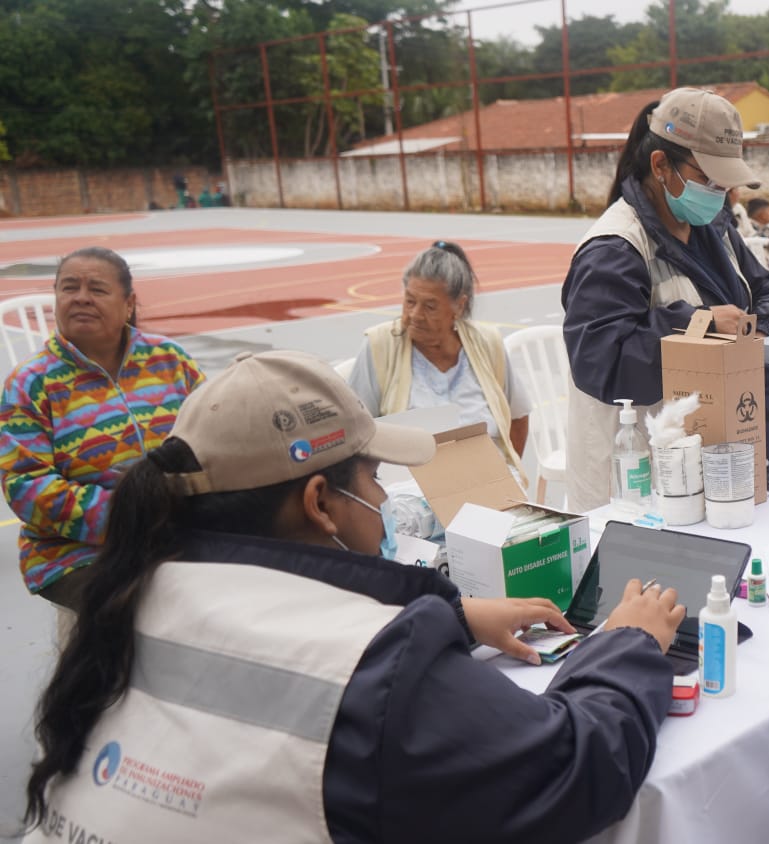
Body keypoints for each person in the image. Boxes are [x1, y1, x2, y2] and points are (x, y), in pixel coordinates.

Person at [21, 350, 690, 843]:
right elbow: (576, 768)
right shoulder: (374, 670)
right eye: (370, 480)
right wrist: (630, 643)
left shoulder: (128, 594)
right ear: (320, 504)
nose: (381, 501)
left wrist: (453, 617)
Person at [561, 88, 769, 511]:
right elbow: (602, 364)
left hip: (711, 457)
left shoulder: (716, 231)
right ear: (661, 165)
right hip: (637, 478)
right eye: (709, 178)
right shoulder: (615, 250)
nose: (720, 192)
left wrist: (757, 327)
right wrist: (698, 325)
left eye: (725, 182)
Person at [1, 247, 203, 608]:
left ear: (129, 304)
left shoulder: (170, 360)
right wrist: (132, 516)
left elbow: (212, 435)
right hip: (75, 554)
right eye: (69, 288)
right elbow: (26, 489)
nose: (81, 298)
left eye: (96, 288)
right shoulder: (30, 384)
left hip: (180, 528)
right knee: (154, 605)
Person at [347, 241, 531, 489]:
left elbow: (518, 417)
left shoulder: (487, 343)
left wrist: (503, 475)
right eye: (410, 301)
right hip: (410, 493)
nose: (415, 314)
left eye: (430, 306)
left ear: (459, 306)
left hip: (487, 484)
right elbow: (355, 430)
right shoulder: (380, 345)